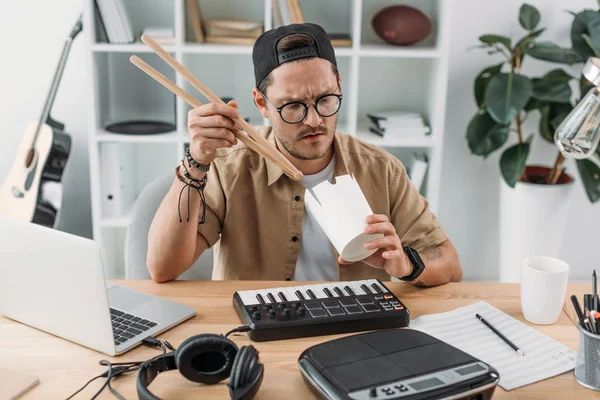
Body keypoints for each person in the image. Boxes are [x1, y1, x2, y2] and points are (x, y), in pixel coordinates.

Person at [147, 23, 462, 286]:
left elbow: (449, 263)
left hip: (354, 332)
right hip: (256, 330)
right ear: (261, 104)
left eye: (326, 99)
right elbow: (163, 269)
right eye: (293, 106)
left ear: (339, 84)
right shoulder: (229, 167)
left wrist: (407, 265)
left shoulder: (381, 169)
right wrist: (197, 159)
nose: (314, 120)